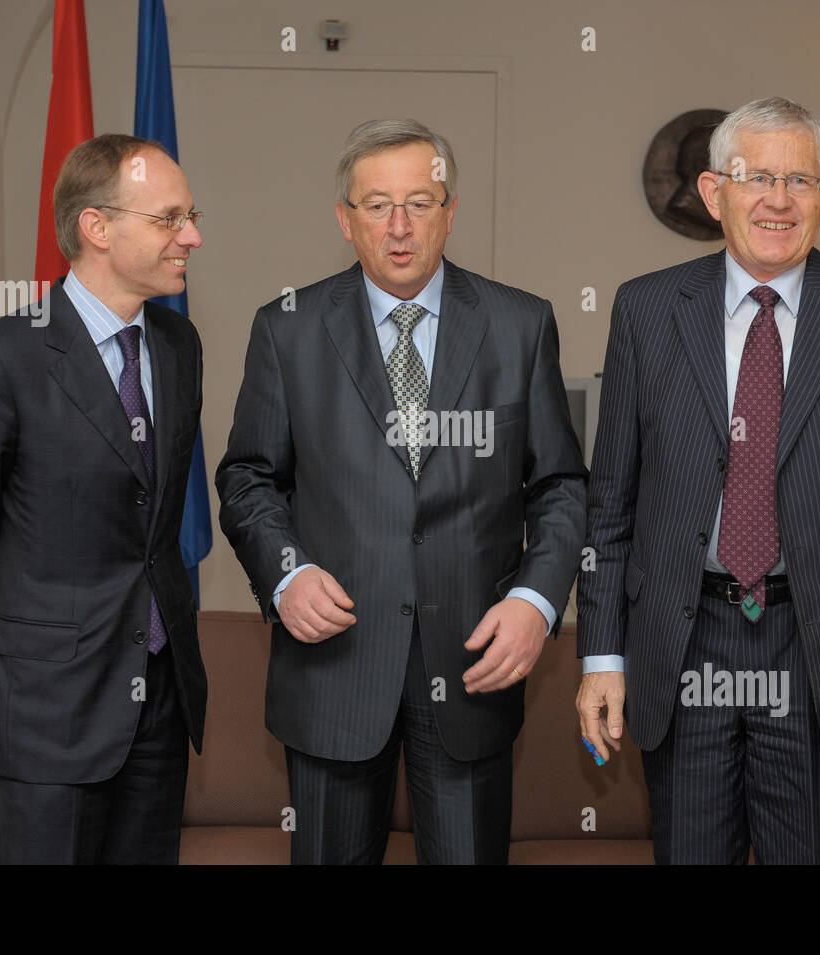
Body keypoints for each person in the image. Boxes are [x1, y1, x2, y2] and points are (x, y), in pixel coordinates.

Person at [576, 97, 820, 864]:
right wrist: (602, 655)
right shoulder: (646, 310)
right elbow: (609, 504)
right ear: (715, 192)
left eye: (801, 181)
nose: (778, 200)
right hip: (683, 643)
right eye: (757, 178)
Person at [217, 119, 586, 864]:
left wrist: (535, 601)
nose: (399, 226)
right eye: (377, 204)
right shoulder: (286, 330)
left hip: (474, 662)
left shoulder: (521, 325)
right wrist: (285, 571)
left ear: (450, 212)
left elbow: (560, 486)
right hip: (334, 670)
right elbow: (247, 475)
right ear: (344, 221)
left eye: (420, 202)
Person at [0, 134, 207, 864]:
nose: (192, 236)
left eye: (191, 216)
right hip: (46, 704)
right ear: (97, 227)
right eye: (170, 218)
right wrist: (4, 655)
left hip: (161, 694)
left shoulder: (179, 345)